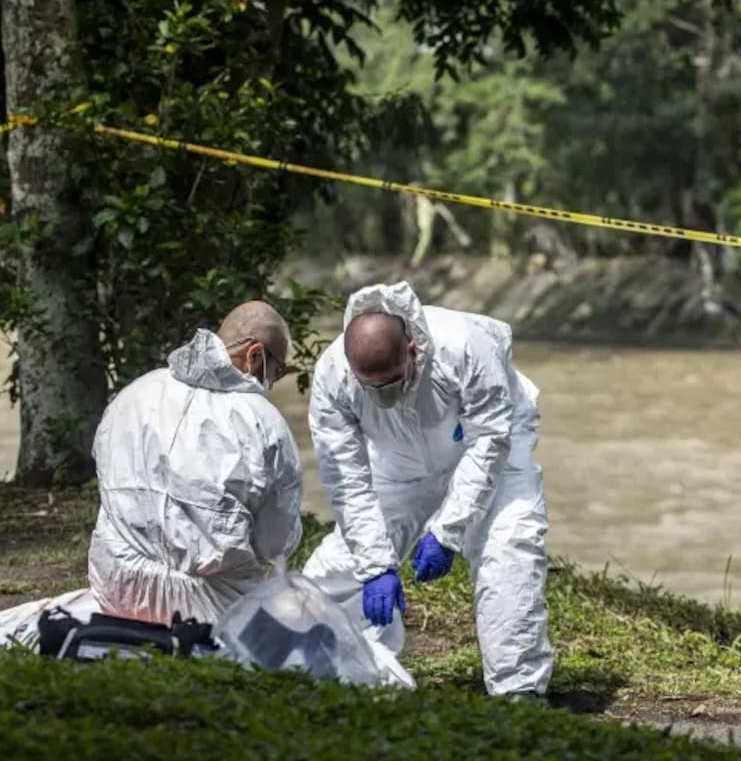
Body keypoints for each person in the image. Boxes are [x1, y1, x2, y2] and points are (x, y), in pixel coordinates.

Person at [302, 281, 553, 700]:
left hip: (495, 452)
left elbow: (489, 441)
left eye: (391, 381)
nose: (382, 395)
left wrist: (447, 531)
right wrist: (376, 563)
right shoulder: (332, 377)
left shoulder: (467, 347)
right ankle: (312, 662)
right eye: (370, 385)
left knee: (508, 552)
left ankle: (518, 696)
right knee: (340, 568)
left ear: (413, 350)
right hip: (397, 462)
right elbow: (346, 478)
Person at [87, 300, 304, 626]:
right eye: (278, 370)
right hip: (210, 606)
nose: (273, 381)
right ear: (255, 356)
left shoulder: (134, 393)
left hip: (116, 586)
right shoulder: (263, 422)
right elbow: (276, 542)